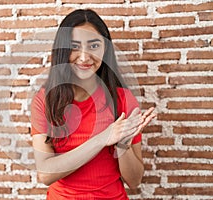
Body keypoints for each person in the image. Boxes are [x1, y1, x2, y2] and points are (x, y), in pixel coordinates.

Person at [30, 9, 156, 200]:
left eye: (94, 46)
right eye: (74, 47)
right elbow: (46, 174)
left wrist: (122, 145)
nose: (84, 57)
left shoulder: (123, 99)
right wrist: (103, 138)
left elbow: (134, 181)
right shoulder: (45, 100)